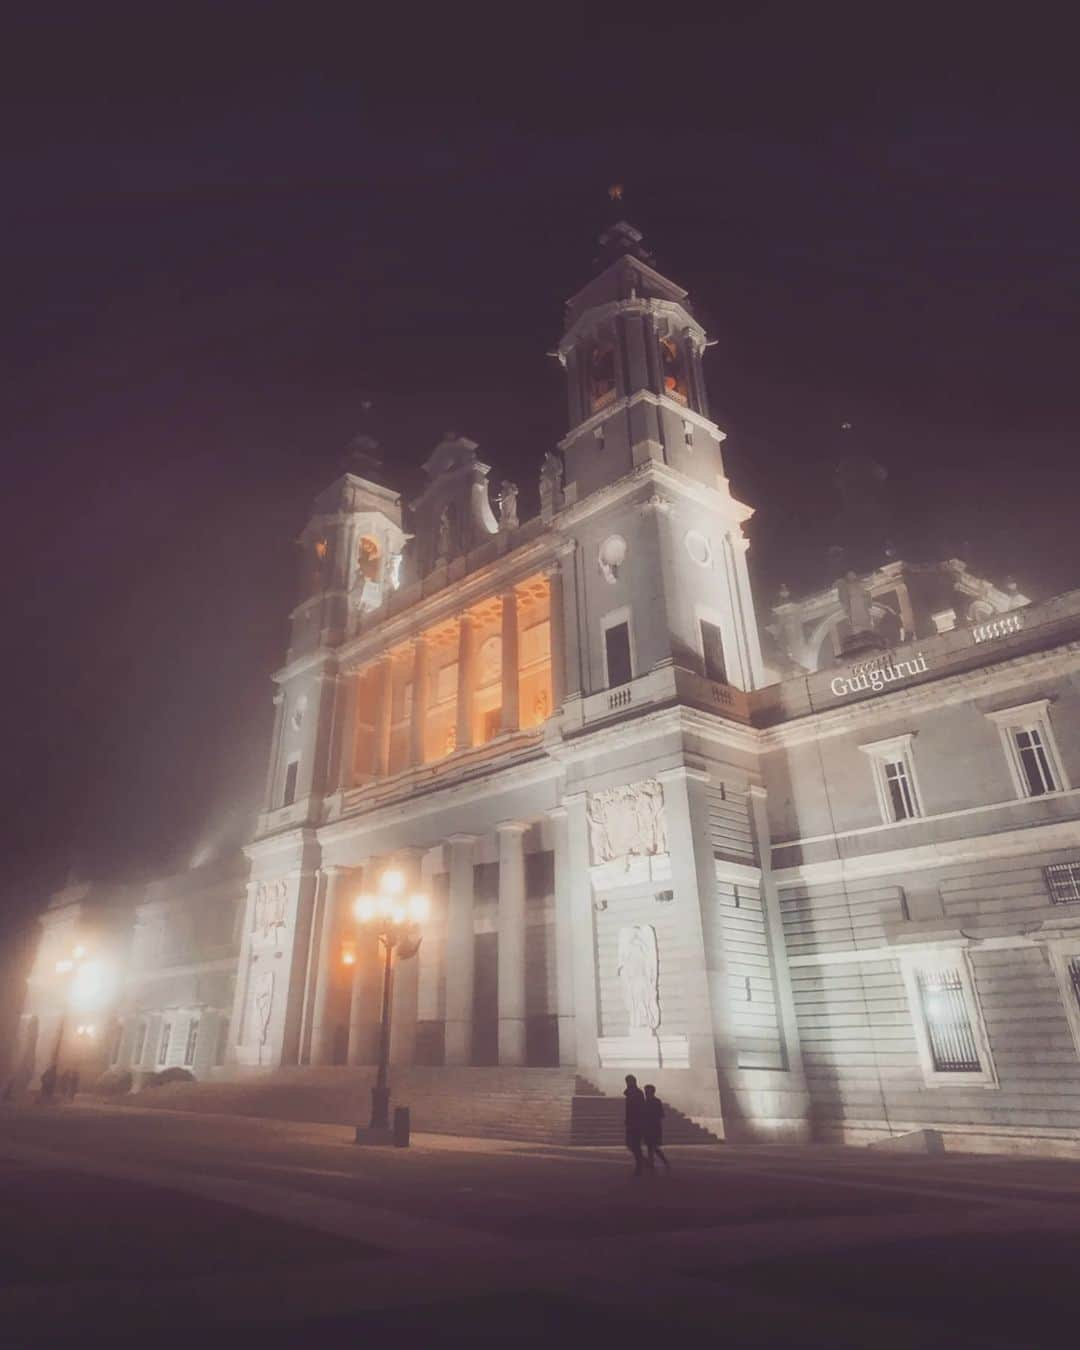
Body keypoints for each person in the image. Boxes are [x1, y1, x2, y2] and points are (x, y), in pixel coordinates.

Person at [642, 1084, 670, 1172]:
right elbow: (661, 1115)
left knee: (651, 1148)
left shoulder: (653, 1102)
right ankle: (661, 1163)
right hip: (651, 1127)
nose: (646, 1093)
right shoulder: (652, 1102)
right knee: (653, 1148)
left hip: (653, 1127)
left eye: (647, 1091)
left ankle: (652, 1165)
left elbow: (661, 1114)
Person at [623, 1074, 646, 1175]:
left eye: (629, 1081)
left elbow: (641, 1108)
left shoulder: (638, 1093)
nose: (628, 1083)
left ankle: (640, 1165)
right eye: (627, 1081)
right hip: (631, 1122)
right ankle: (643, 1163)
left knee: (635, 1145)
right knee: (631, 1144)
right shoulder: (630, 1092)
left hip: (637, 1122)